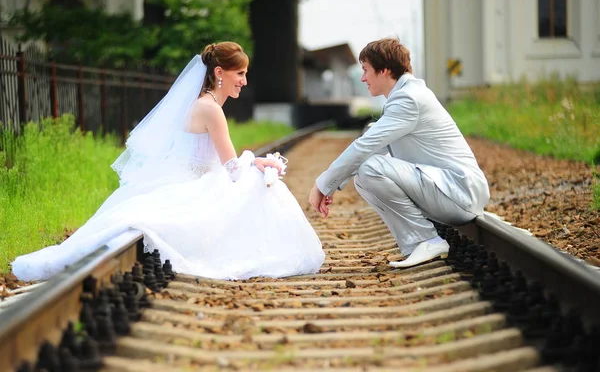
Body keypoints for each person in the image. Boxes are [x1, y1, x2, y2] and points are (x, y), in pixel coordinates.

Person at [12, 41, 325, 282]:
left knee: (259, 174)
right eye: (240, 74)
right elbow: (231, 169)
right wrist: (258, 164)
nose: (244, 81)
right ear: (220, 73)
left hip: (191, 178)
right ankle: (273, 252)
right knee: (261, 183)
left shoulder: (206, 104)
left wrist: (255, 162)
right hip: (193, 184)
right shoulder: (211, 108)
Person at [309, 38, 490, 268]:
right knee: (364, 177)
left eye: (365, 70)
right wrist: (333, 183)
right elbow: (369, 147)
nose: (363, 78)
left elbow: (365, 147)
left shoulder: (408, 100)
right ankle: (420, 242)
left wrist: (322, 185)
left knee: (371, 168)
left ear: (384, 70)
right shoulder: (405, 96)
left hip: (459, 193)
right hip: (453, 191)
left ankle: (426, 240)